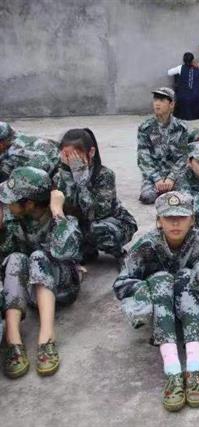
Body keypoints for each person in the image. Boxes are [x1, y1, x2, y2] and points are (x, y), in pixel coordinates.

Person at [113, 191, 199, 412]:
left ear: (192, 220)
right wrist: (147, 291)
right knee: (161, 278)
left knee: (186, 275)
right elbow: (122, 283)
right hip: (159, 305)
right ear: (158, 220)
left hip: (191, 304)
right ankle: (173, 371)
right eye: (169, 217)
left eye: (181, 217)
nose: (175, 223)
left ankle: (194, 368)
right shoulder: (146, 244)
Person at [1, 167, 82, 379]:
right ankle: (13, 341)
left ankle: (46, 339)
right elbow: (7, 260)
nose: (7, 204)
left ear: (29, 204)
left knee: (38, 256)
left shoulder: (63, 218)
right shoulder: (15, 220)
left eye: (11, 200)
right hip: (32, 290)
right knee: (15, 258)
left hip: (62, 288)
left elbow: (66, 251)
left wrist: (57, 211)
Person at [54, 128, 137, 263]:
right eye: (66, 156)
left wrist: (82, 182)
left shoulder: (105, 175)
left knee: (97, 229)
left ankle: (119, 253)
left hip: (110, 222)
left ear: (91, 152)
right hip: (82, 225)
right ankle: (86, 251)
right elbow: (63, 208)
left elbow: (97, 213)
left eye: (75, 157)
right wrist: (68, 178)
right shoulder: (61, 175)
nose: (71, 162)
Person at [137, 87, 191, 204]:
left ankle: (169, 191)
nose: (157, 103)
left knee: (187, 198)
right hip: (154, 176)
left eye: (162, 100)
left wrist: (172, 177)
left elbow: (183, 156)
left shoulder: (181, 128)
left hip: (175, 175)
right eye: (155, 100)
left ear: (171, 104)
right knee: (147, 197)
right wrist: (156, 178)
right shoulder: (145, 127)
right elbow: (143, 157)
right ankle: (164, 191)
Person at [167, 52, 199, 120]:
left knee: (181, 96)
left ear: (183, 60)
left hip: (182, 99)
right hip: (195, 99)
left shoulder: (180, 68)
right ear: (193, 60)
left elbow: (169, 72)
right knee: (196, 95)